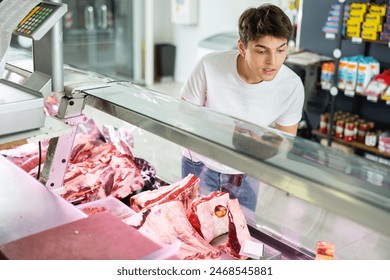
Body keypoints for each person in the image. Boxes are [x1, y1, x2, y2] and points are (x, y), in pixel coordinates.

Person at [180, 4, 304, 211]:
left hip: (247, 172)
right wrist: (231, 132)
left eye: (280, 50)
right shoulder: (208, 66)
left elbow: (286, 142)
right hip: (199, 163)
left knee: (241, 236)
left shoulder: (291, 86)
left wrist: (262, 148)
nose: (272, 61)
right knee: (193, 229)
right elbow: (184, 118)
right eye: (262, 51)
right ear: (242, 47)